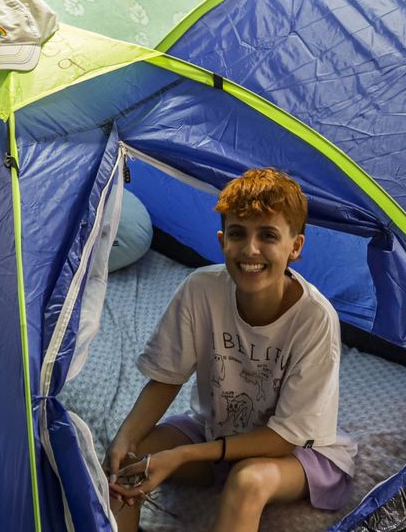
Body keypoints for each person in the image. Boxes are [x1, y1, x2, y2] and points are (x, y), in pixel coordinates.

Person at [107, 168, 356, 532]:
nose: (250, 249)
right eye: (238, 234)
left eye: (268, 235)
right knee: (126, 465)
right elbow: (166, 378)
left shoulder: (314, 319)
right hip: (217, 430)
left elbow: (286, 436)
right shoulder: (201, 289)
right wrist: (124, 437)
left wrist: (184, 455)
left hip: (297, 451)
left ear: (295, 247)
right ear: (223, 241)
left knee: (247, 480)